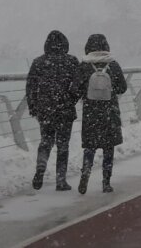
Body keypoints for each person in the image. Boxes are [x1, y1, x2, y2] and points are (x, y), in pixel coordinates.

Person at [71, 34, 127, 194]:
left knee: (90, 146)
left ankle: (86, 172)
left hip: (91, 112)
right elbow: (122, 87)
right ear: (106, 47)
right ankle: (106, 182)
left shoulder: (84, 66)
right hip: (110, 111)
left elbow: (75, 89)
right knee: (108, 148)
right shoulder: (113, 64)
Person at [25, 30, 79, 191]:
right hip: (65, 109)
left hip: (45, 109)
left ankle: (41, 166)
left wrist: (34, 107)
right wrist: (70, 100)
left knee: (46, 141)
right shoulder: (71, 61)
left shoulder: (38, 62)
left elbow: (30, 87)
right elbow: (77, 86)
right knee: (63, 146)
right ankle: (61, 180)